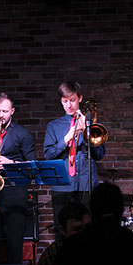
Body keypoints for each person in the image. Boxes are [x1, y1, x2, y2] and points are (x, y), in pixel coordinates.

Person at [44, 81, 105, 238]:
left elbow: (99, 154)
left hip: (86, 186)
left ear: (80, 98)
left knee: (89, 233)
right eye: (65, 101)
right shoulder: (54, 126)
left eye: (72, 100)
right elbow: (48, 155)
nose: (69, 105)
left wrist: (87, 131)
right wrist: (66, 139)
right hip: (63, 187)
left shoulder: (92, 125)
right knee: (62, 232)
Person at [0, 92, 36, 264]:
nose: (0, 115)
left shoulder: (22, 133)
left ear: (12, 111)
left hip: (15, 193)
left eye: (4, 111)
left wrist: (9, 163)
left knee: (14, 245)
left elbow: (32, 165)